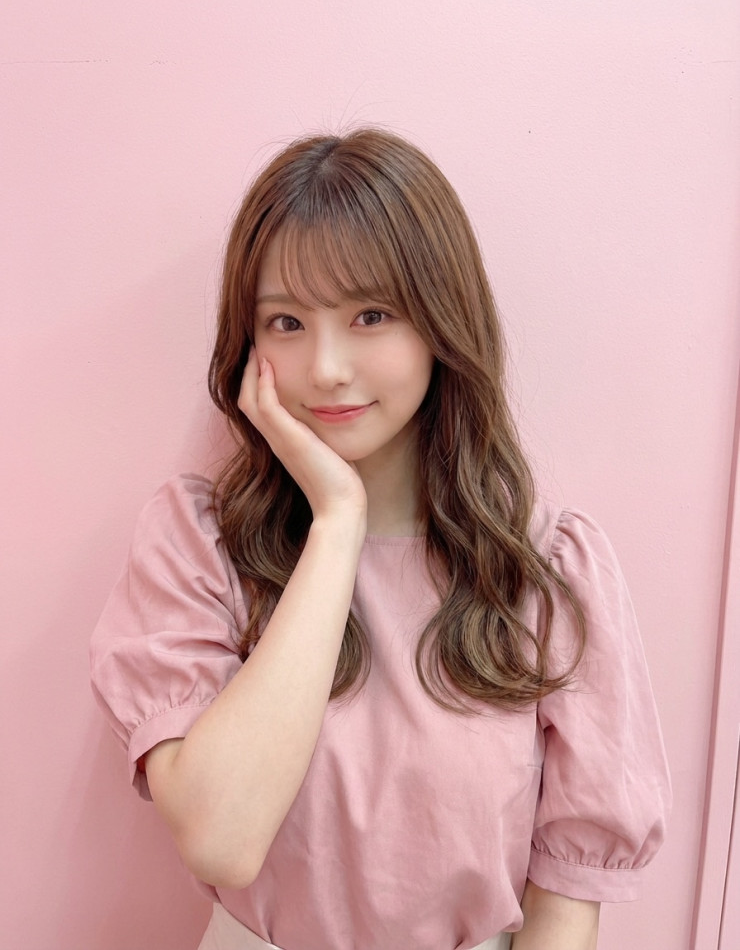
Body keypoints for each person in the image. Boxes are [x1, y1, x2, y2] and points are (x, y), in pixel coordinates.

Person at [90, 128, 671, 950]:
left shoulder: (545, 570)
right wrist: (337, 521)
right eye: (286, 321)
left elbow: (567, 897)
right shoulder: (199, 545)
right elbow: (221, 836)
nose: (327, 366)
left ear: (439, 322)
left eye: (370, 314)